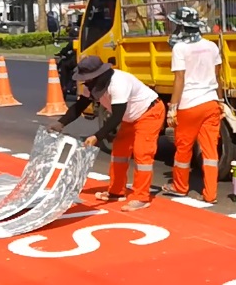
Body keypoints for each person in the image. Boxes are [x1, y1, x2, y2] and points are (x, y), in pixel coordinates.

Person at [51, 56, 165, 211]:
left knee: (142, 154)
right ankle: (116, 191)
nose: (86, 83)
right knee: (119, 152)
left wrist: (97, 136)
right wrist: (60, 123)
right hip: (130, 117)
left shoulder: (118, 83)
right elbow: (79, 107)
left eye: (88, 79)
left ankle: (141, 197)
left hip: (149, 113)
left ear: (99, 75)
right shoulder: (92, 86)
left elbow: (116, 116)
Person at [165, 6, 225, 204]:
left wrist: (172, 108)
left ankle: (180, 187)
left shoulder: (180, 48)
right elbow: (218, 76)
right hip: (211, 103)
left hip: (189, 105)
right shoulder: (211, 46)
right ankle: (211, 194)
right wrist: (221, 101)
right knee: (210, 151)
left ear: (181, 26)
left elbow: (179, 79)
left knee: (184, 148)